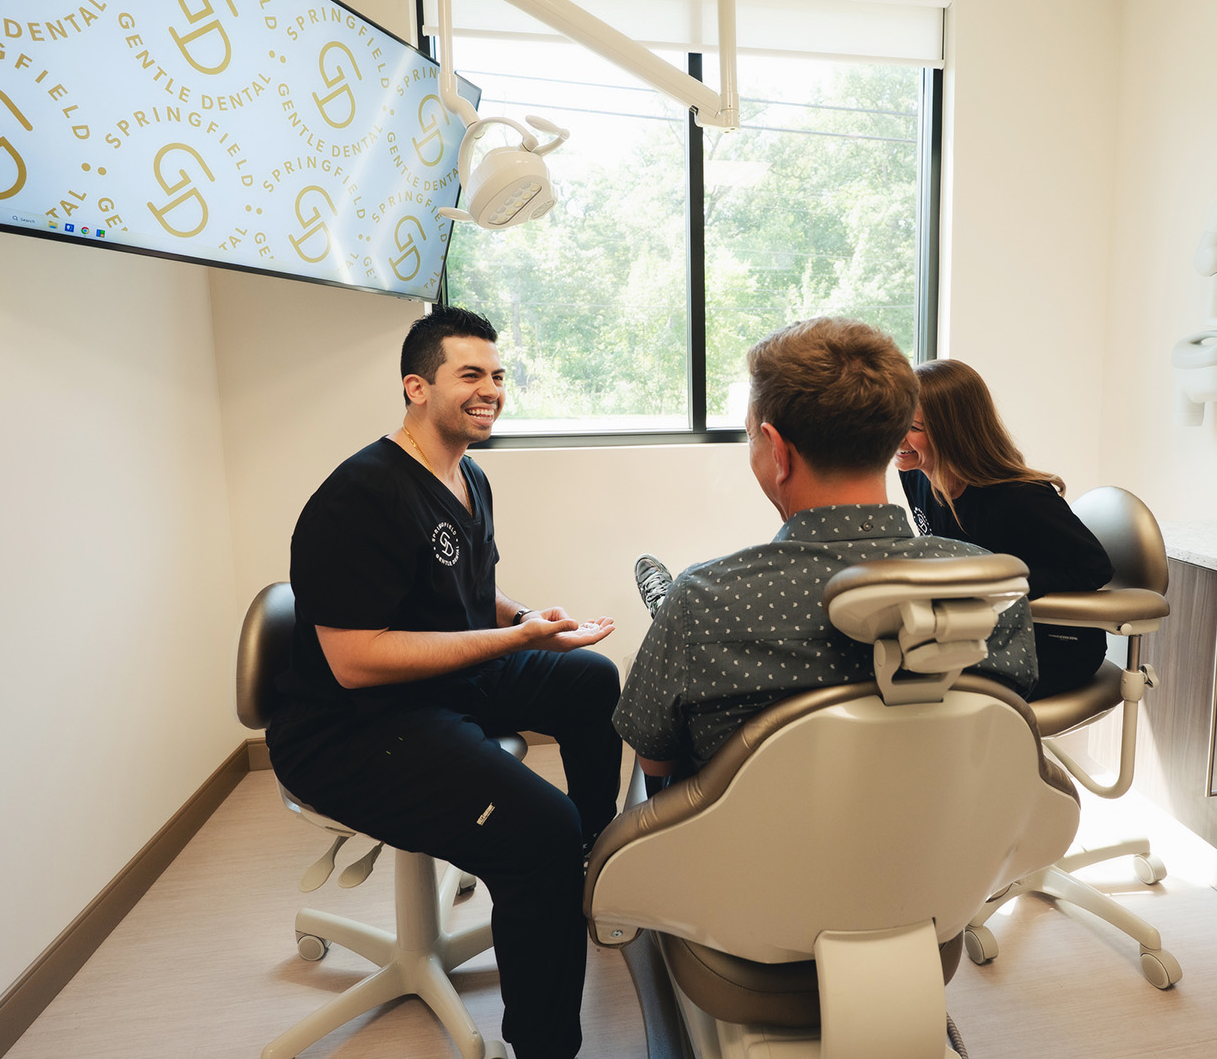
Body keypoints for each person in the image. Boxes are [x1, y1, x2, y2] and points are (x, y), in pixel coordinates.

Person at [264, 306, 622, 1059]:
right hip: (351, 726)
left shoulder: (469, 475)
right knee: (538, 830)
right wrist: (513, 638)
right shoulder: (360, 495)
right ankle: (546, 1045)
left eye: (497, 375)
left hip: (448, 681)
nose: (491, 388)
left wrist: (535, 621)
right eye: (471, 375)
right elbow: (356, 660)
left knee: (589, 678)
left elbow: (466, 590)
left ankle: (591, 864)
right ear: (416, 387)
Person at [615, 317, 1036, 780]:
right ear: (894, 436)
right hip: (944, 843)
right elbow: (1007, 734)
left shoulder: (701, 600)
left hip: (753, 850)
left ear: (778, 450)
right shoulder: (988, 585)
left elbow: (656, 763)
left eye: (751, 436)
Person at [895, 358, 1114, 699]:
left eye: (914, 428)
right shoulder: (914, 475)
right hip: (985, 632)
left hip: (1055, 646)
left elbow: (1095, 568)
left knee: (917, 692)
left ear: (952, 431)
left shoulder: (1019, 497)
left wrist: (1000, 582)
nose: (898, 437)